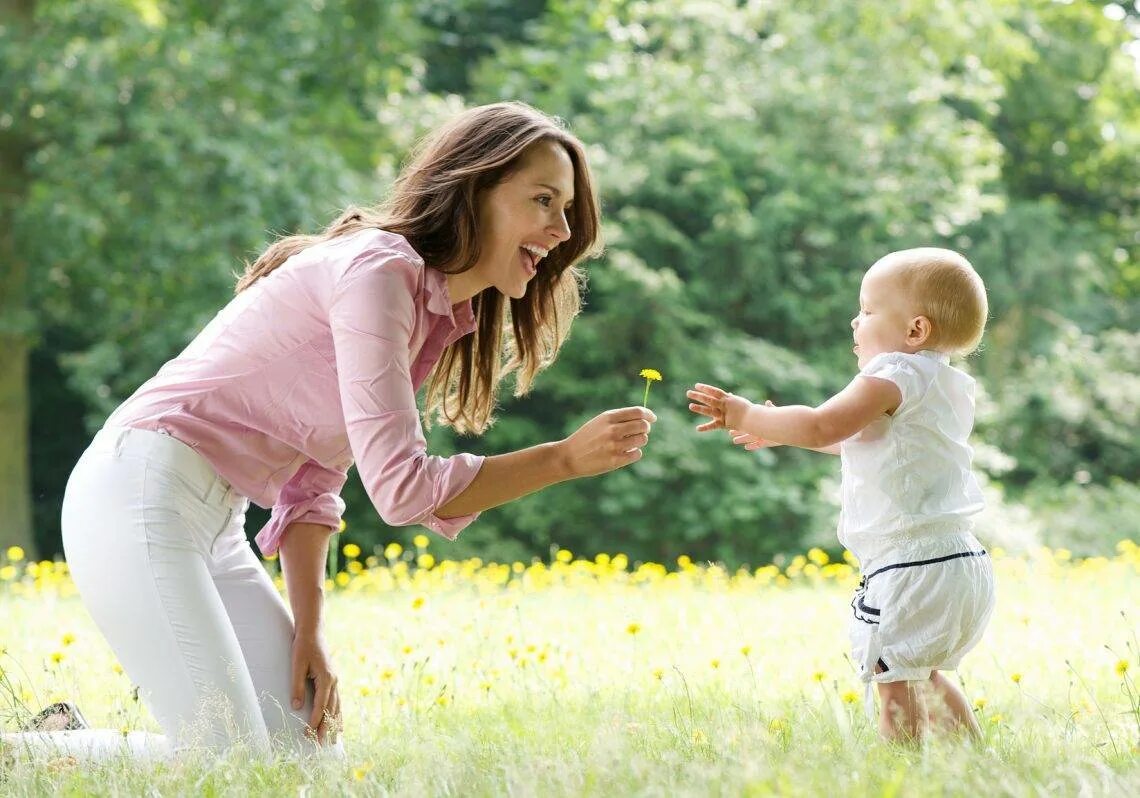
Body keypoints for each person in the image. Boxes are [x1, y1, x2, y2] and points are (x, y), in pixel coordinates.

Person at [4, 101, 656, 760]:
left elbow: (315, 480)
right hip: (141, 491)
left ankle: (60, 743)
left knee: (308, 757)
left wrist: (308, 634)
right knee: (223, 764)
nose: (562, 228)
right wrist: (563, 460)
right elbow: (403, 491)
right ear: (473, 190)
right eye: (544, 200)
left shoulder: (430, 313)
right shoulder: (380, 272)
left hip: (212, 523)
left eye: (567, 208)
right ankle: (29, 752)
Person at [687, 247, 994, 742]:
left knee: (893, 679)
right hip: (961, 562)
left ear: (915, 330)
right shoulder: (947, 383)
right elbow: (850, 438)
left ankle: (901, 776)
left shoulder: (892, 373)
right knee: (923, 676)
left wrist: (745, 414)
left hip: (910, 565)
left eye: (869, 310)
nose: (856, 320)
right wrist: (779, 430)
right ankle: (976, 768)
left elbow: (820, 424)